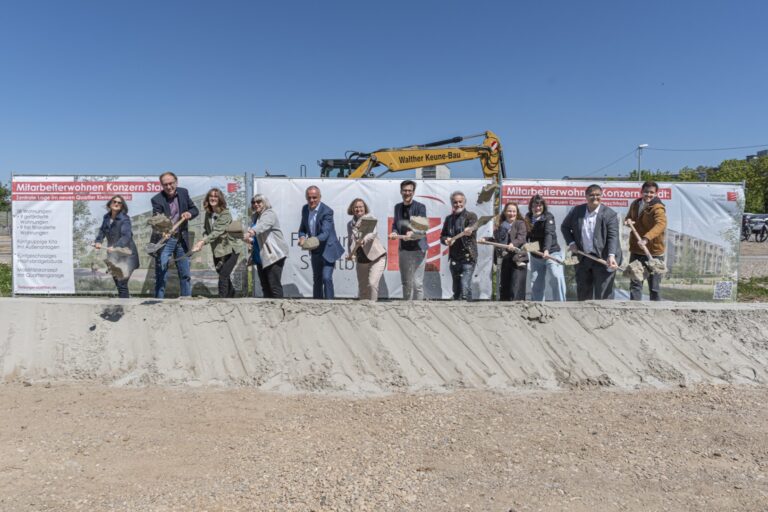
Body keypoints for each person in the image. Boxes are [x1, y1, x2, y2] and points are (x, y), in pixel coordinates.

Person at [560, 184, 622, 300]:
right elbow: (565, 227)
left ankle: (604, 316)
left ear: (601, 196)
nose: (595, 197)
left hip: (604, 258)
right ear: (586, 196)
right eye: (591, 195)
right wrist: (571, 243)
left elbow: (613, 236)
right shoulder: (577, 211)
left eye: (598, 195)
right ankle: (584, 317)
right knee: (583, 292)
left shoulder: (609, 214)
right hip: (583, 257)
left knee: (603, 294)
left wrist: (611, 256)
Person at [150, 172, 199, 298]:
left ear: (176, 182)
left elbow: (195, 210)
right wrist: (164, 228)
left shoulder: (184, 192)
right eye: (165, 184)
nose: (169, 187)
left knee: (185, 274)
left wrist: (189, 213)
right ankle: (158, 304)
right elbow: (157, 219)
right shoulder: (156, 200)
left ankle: (186, 301)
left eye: (171, 183)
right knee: (162, 274)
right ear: (162, 185)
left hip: (181, 239)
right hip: (166, 239)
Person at [192, 188, 243, 298]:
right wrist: (201, 241)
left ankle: (222, 300)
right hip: (218, 250)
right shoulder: (208, 214)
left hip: (231, 249)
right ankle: (231, 294)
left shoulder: (226, 214)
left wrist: (202, 242)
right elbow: (207, 230)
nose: (213, 198)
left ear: (220, 199)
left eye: (216, 196)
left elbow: (217, 232)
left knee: (223, 275)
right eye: (211, 196)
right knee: (222, 273)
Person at [298, 186, 345, 299]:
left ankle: (330, 305)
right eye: (309, 198)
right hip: (315, 250)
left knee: (326, 278)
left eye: (314, 197)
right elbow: (302, 229)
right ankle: (316, 306)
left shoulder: (327, 211)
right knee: (317, 279)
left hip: (328, 249)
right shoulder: (305, 209)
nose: (311, 200)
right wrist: (302, 237)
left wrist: (309, 242)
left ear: (320, 197)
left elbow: (325, 234)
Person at [624, 181, 667, 301]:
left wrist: (646, 238)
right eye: (646, 192)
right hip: (636, 251)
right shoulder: (636, 204)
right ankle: (635, 311)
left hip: (654, 253)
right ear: (641, 192)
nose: (648, 194)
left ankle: (656, 313)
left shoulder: (658, 208)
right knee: (635, 284)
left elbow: (661, 224)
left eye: (652, 192)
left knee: (654, 287)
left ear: (656, 194)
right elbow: (629, 217)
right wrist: (628, 221)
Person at [93, 195, 140, 298]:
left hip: (127, 256)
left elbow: (126, 236)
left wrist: (116, 246)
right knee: (119, 284)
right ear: (110, 204)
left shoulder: (125, 219)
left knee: (122, 283)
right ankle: (123, 304)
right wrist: (98, 241)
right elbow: (102, 231)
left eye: (119, 203)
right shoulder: (106, 217)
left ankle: (123, 308)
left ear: (122, 206)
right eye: (114, 201)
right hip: (114, 257)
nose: (117, 204)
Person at [389, 180, 427, 300]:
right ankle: (406, 309)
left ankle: (419, 310)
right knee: (406, 283)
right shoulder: (397, 207)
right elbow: (395, 224)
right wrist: (394, 232)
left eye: (409, 190)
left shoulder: (420, 207)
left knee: (417, 284)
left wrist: (414, 231)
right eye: (405, 190)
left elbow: (422, 227)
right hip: (404, 249)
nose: (407, 193)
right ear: (401, 191)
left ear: (413, 192)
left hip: (419, 249)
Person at [245, 194, 288, 298]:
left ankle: (279, 311)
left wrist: (251, 232)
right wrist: (249, 239)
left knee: (274, 286)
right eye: (253, 202)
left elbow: (262, 226)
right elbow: (258, 237)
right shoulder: (255, 217)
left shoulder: (269, 214)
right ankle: (269, 312)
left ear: (265, 203)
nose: (256, 204)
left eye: (259, 202)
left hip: (273, 255)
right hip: (261, 256)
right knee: (265, 286)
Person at [526, 194, 567, 301]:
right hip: (536, 255)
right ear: (531, 207)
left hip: (552, 252)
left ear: (543, 206)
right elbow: (526, 236)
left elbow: (549, 234)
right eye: (535, 205)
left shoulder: (548, 217)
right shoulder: (528, 217)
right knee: (535, 281)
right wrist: (524, 246)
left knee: (556, 276)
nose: (537, 208)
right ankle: (537, 306)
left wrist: (546, 250)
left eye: (540, 205)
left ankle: (561, 305)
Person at [484, 202, 528, 301]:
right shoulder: (501, 226)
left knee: (515, 288)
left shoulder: (520, 224)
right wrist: (485, 240)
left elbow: (521, 238)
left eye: (514, 211)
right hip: (506, 260)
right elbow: (497, 240)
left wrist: (513, 244)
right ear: (504, 212)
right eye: (509, 211)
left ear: (517, 213)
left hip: (518, 260)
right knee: (505, 288)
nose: (511, 213)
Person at [346, 198, 387, 301]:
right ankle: (363, 311)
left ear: (365, 208)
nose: (358, 209)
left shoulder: (370, 218)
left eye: (361, 206)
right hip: (361, 258)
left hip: (377, 257)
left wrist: (363, 240)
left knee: (372, 284)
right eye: (356, 207)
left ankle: (373, 309)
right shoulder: (350, 224)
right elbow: (350, 241)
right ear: (352, 209)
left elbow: (372, 233)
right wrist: (351, 254)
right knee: (362, 288)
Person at [440, 191, 478, 300]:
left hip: (468, 257)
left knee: (465, 285)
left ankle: (468, 310)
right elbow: (442, 236)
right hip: (454, 258)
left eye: (460, 202)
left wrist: (470, 229)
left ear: (464, 202)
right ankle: (457, 312)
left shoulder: (471, 216)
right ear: (452, 204)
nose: (458, 204)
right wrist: (446, 240)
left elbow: (474, 226)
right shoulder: (449, 219)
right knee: (456, 289)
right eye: (455, 202)